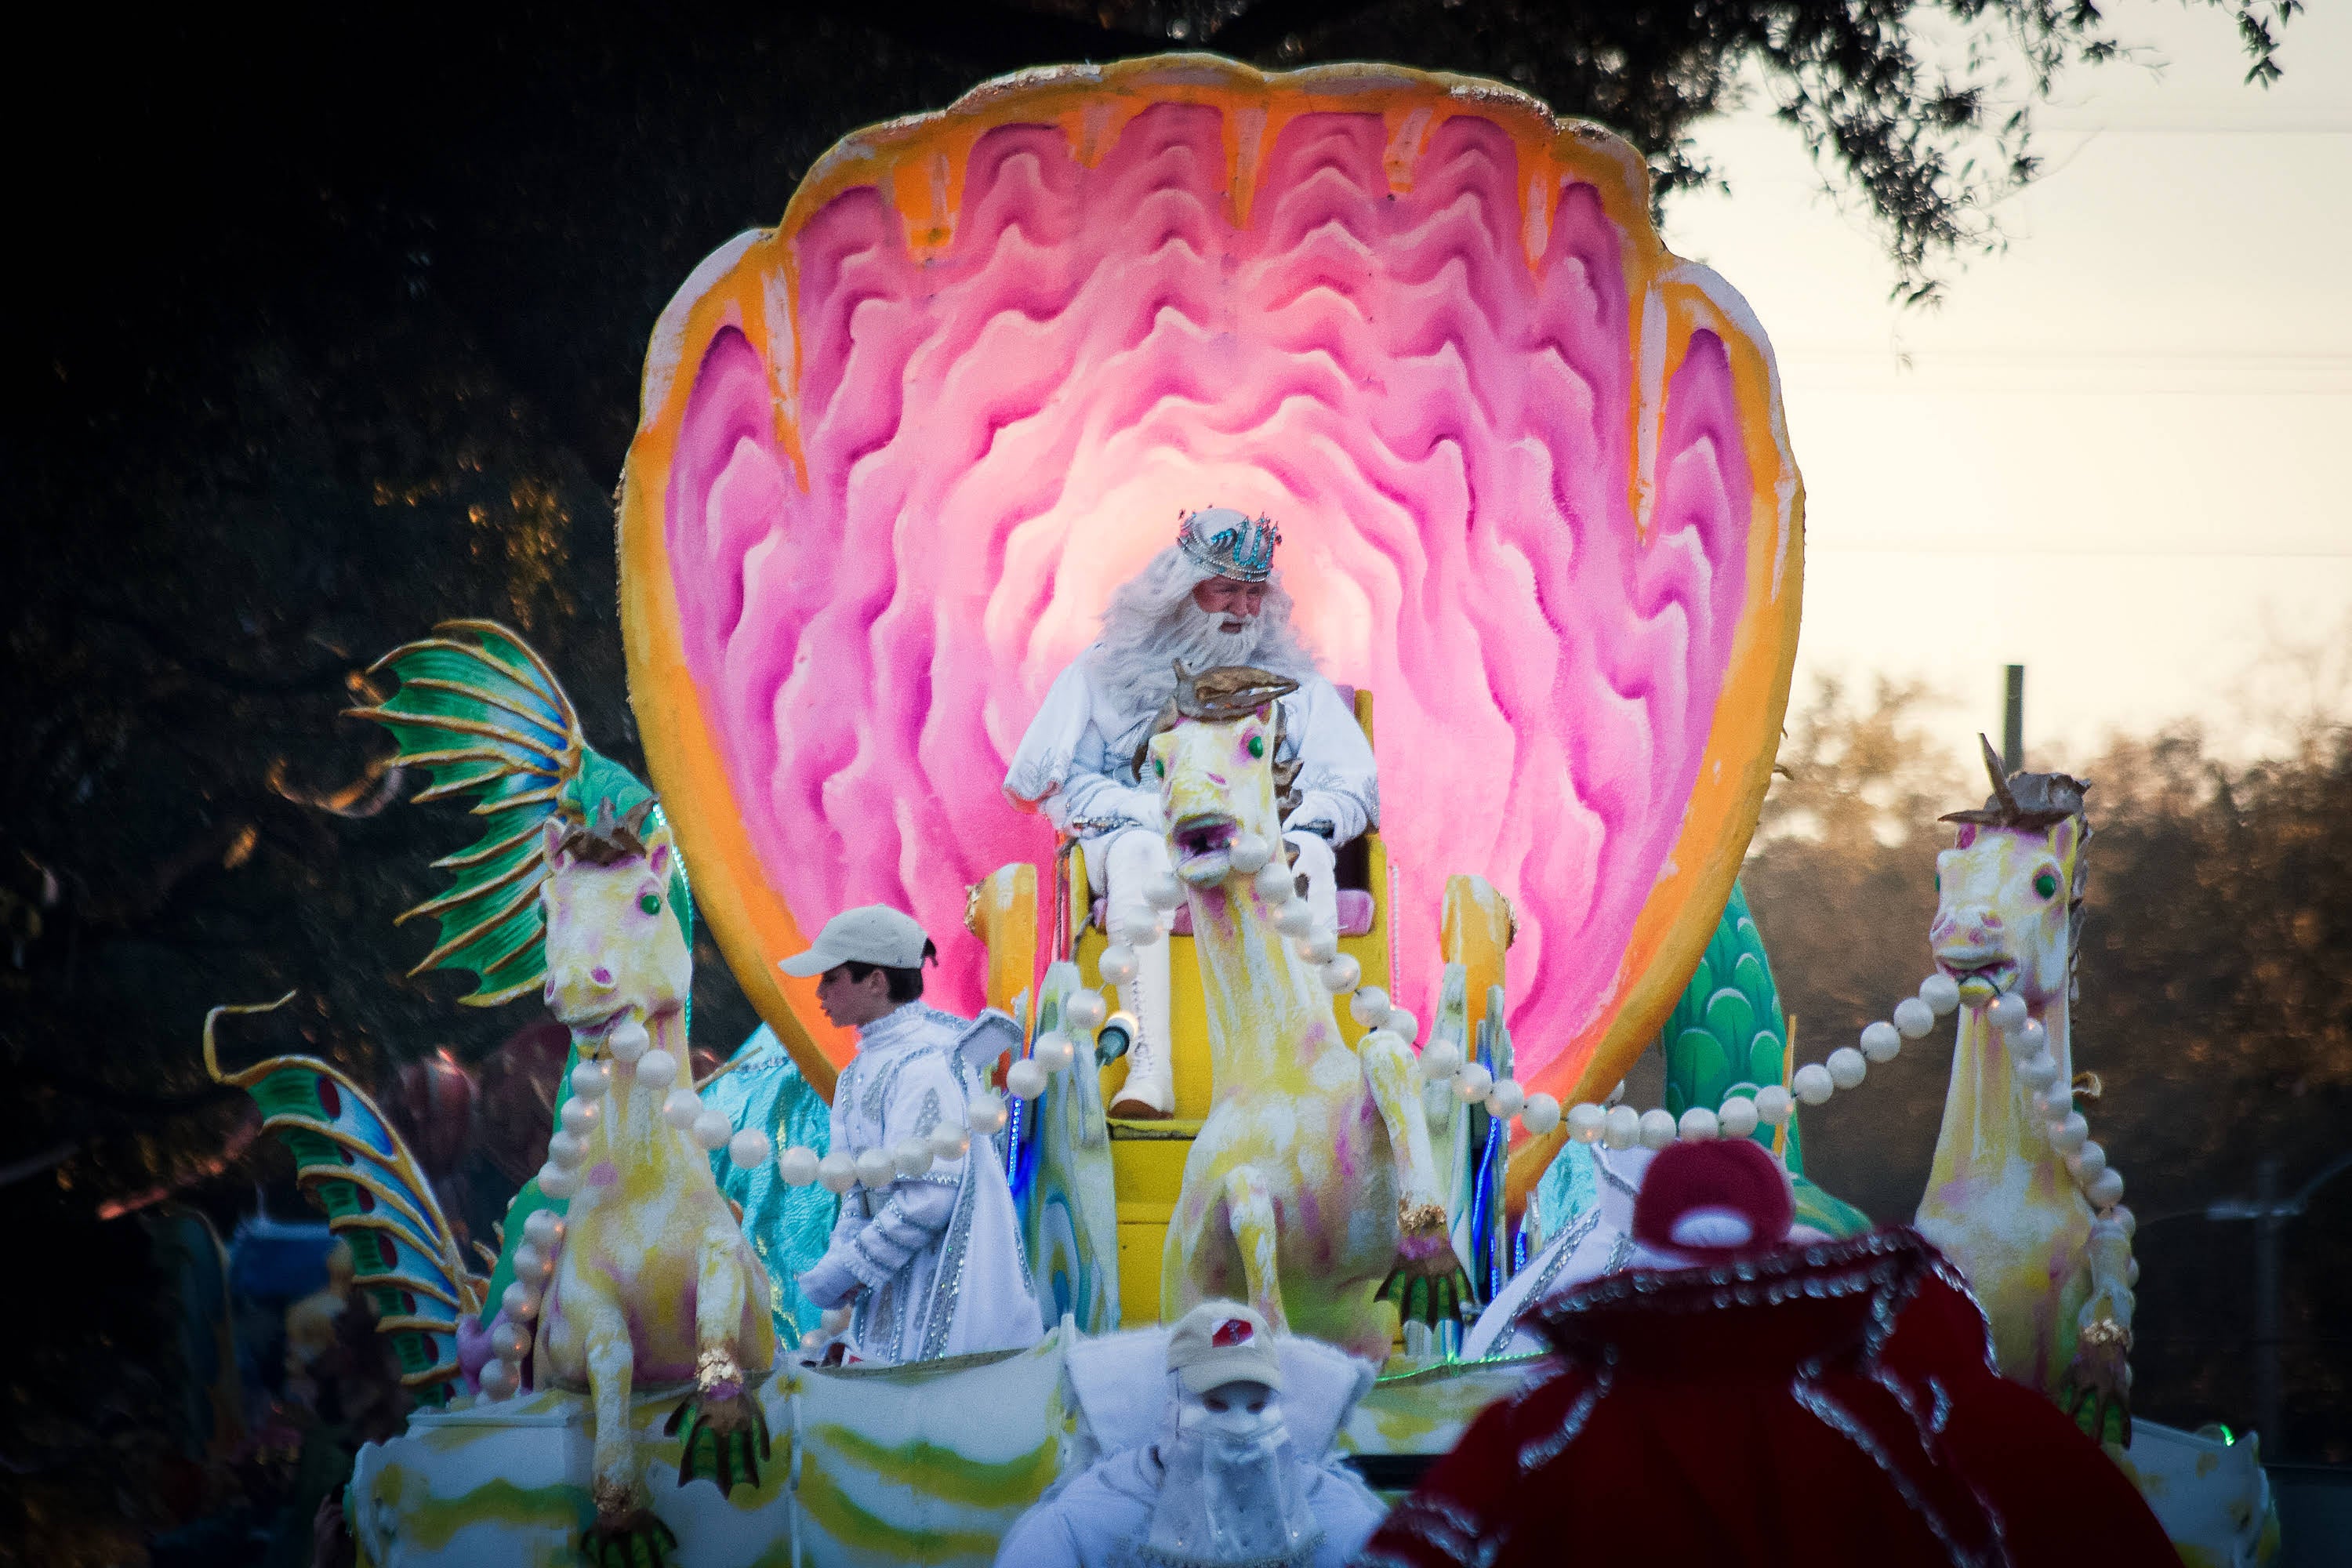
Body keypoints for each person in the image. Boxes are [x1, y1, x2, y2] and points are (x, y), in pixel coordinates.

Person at [1357, 1138, 2176, 1568]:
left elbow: (1426, 1547)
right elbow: (2001, 1536)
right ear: (1781, 1243)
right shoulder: (1881, 1425)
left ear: (1640, 1245)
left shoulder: (1546, 1425)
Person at [1005, 506, 1377, 1116]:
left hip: (1263, 842)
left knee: (1308, 854)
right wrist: (1159, 815)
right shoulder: (1103, 669)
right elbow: (1061, 783)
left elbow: (1352, 784)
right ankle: (1148, 1072)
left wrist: (1278, 824)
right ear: (1179, 593)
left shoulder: (1296, 681)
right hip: (1144, 837)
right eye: (1226, 590)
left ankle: (1305, 1069)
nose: (1242, 609)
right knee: (1141, 853)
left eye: (1254, 593)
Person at [785, 905, 1041, 1365]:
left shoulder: (926, 1065)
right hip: (890, 1280)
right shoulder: (858, 1071)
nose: (820, 992)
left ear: (877, 982)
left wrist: (848, 1268)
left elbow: (930, 1200)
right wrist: (844, 1266)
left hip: (941, 1278)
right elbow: (855, 1190)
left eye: (832, 979)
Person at [993, 1301, 1384, 1568]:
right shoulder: (1095, 1509)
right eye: (1215, 1403)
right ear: (1173, 1402)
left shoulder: (1328, 1504)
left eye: (1257, 1406)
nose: (1240, 1426)